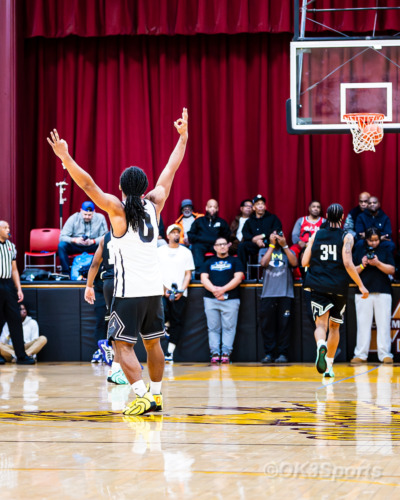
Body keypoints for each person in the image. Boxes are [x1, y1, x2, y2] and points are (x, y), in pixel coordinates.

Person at [47, 107, 188, 415]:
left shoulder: (117, 210)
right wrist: (183, 136)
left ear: (123, 188)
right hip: (154, 289)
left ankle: (141, 395)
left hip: (128, 292)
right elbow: (170, 168)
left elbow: (87, 186)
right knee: (153, 345)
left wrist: (65, 157)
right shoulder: (156, 203)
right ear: (144, 186)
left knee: (120, 345)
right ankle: (157, 394)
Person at [302, 204, 369, 378]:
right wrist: (361, 285)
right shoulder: (347, 237)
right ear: (342, 217)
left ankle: (320, 346)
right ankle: (329, 367)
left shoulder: (316, 234)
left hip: (318, 284)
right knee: (334, 327)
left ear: (326, 216)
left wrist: (314, 252)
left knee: (320, 325)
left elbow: (304, 262)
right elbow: (347, 263)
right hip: (338, 286)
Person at [85, 232, 129, 384]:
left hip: (108, 283)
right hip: (124, 281)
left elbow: (95, 264)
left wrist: (88, 286)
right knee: (126, 328)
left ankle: (116, 368)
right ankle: (119, 368)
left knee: (117, 325)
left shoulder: (105, 237)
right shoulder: (131, 234)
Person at [351, 227, 395, 365]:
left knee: (384, 325)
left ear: (380, 238)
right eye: (371, 240)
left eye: (376, 240)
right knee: (363, 324)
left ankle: (385, 354)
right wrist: (363, 265)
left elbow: (392, 270)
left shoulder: (386, 249)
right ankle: (360, 354)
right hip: (363, 291)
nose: (374, 243)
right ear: (366, 239)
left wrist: (377, 263)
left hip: (383, 290)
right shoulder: (358, 248)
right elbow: (352, 271)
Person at [200, 237, 245, 364]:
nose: (222, 247)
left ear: (228, 246)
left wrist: (223, 290)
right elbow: (204, 278)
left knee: (229, 327)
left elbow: (238, 278)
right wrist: (215, 290)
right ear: (214, 247)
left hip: (231, 299)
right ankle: (215, 353)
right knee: (213, 328)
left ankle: (226, 353)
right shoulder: (209, 262)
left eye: (224, 244)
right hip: (211, 299)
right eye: (219, 244)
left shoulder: (235, 261)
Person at [157, 224, 195, 362]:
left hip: (180, 293)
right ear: (167, 235)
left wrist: (182, 290)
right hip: (161, 292)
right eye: (173, 232)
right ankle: (165, 327)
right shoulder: (159, 251)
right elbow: (154, 272)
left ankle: (170, 352)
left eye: (178, 233)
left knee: (177, 321)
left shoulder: (186, 252)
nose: (176, 235)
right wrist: (163, 289)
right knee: (161, 315)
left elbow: (188, 274)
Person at [259, 231, 298, 364]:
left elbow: (294, 263)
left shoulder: (288, 251)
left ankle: (282, 354)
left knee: (284, 326)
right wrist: (271, 245)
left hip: (285, 293)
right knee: (267, 326)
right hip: (268, 293)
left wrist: (285, 245)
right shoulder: (264, 250)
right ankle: (269, 354)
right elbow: (263, 263)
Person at [0, 221, 35, 365]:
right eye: (5, 227)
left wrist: (19, 288)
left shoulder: (11, 247)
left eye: (9, 227)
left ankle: (21, 355)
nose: (8, 229)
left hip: (8, 284)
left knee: (15, 319)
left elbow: (14, 269)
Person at [58, 201, 108, 276]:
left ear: (94, 212)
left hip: (92, 245)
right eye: (85, 214)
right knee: (61, 246)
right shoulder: (73, 218)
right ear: (80, 210)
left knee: (106, 245)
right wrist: (75, 240)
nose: (87, 217)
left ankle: (99, 274)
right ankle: (66, 274)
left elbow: (105, 236)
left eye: (89, 215)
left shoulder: (100, 218)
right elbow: (62, 237)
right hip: (76, 245)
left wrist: (93, 241)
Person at [237, 195, 282, 269]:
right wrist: (255, 240)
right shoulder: (249, 221)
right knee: (242, 246)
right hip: (255, 245)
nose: (260, 206)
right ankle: (242, 272)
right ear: (254, 208)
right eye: (258, 204)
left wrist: (263, 236)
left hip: (270, 244)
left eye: (262, 204)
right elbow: (245, 233)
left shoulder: (273, 218)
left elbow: (277, 229)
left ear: (265, 207)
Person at [188, 199, 231, 273]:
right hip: (201, 245)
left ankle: (219, 271)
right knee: (196, 247)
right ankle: (199, 273)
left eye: (215, 207)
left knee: (222, 247)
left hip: (216, 245)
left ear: (217, 209)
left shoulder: (222, 222)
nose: (212, 209)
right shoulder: (199, 221)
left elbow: (227, 236)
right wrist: (202, 239)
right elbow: (191, 235)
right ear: (206, 208)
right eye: (210, 207)